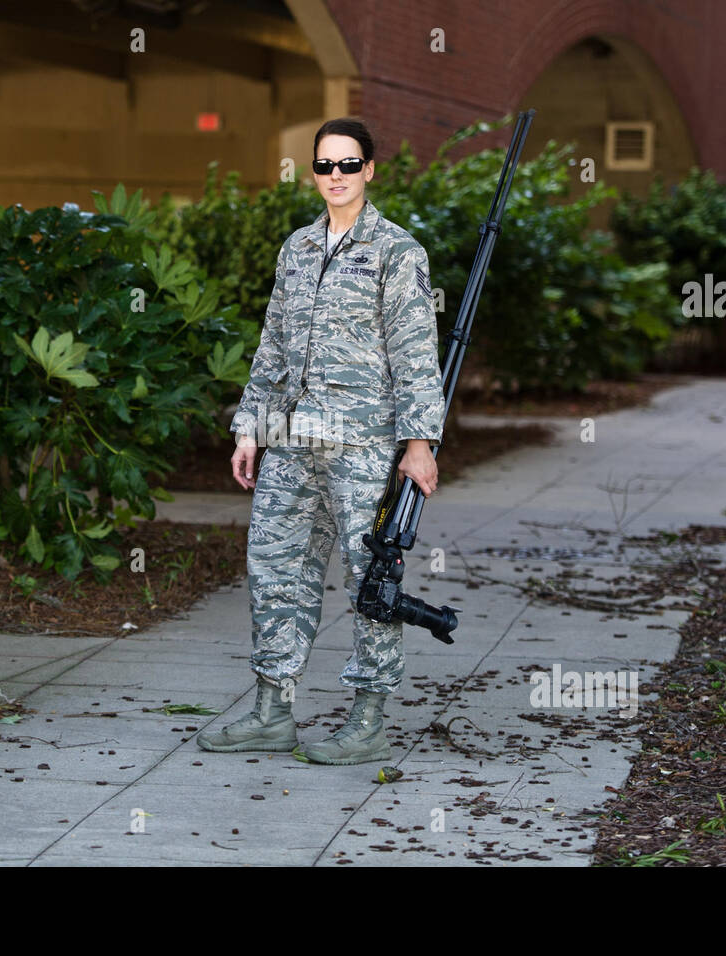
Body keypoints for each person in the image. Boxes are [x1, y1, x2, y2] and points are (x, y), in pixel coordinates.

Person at [196, 117, 445, 765]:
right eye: (324, 165)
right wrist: (250, 428)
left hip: (362, 444)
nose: (335, 176)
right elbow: (273, 346)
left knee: (370, 576)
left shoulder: (398, 251)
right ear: (313, 173)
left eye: (347, 164)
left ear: (370, 170)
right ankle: (271, 712)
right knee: (275, 567)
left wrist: (420, 441)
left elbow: (416, 351)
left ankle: (368, 719)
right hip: (292, 438)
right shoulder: (297, 249)